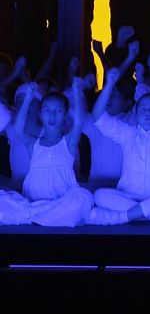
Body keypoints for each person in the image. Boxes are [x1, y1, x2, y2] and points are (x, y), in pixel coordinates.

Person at [86, 58, 150, 225]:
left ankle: (122, 217)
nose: (149, 113)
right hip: (129, 196)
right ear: (135, 113)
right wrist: (109, 84)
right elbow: (98, 116)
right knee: (99, 195)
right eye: (143, 109)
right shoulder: (128, 134)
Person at [2, 78, 93, 226]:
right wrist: (28, 99)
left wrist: (77, 91)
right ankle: (45, 218)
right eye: (47, 110)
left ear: (65, 116)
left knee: (83, 197)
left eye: (58, 110)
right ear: (40, 115)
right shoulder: (33, 144)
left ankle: (38, 218)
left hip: (60, 203)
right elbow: (18, 128)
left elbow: (78, 122)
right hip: (35, 203)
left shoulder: (68, 142)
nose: (52, 115)